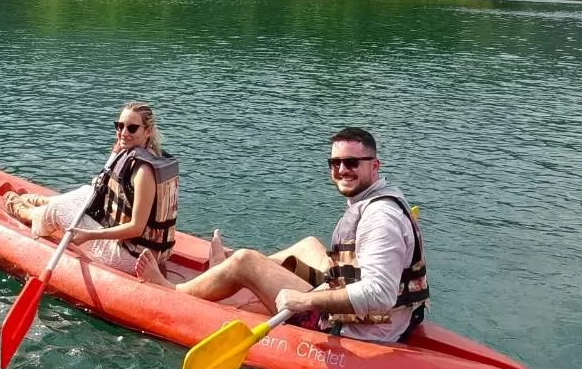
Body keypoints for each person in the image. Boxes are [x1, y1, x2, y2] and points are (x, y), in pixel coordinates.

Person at [135, 127, 428, 344]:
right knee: (309, 245)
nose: (342, 170)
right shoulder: (378, 199)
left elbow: (380, 294)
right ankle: (225, 271)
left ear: (374, 166)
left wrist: (306, 301)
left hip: (363, 328)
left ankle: (176, 288)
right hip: (393, 318)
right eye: (335, 163)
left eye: (352, 163)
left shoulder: (380, 218)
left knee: (245, 261)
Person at [5, 102, 179, 275]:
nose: (124, 133)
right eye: (120, 126)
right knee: (89, 191)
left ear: (147, 131)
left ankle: (25, 211)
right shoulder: (147, 153)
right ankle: (41, 201)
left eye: (132, 128)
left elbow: (136, 228)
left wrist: (88, 235)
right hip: (143, 248)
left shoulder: (143, 172)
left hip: (136, 258)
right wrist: (119, 147)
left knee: (58, 210)